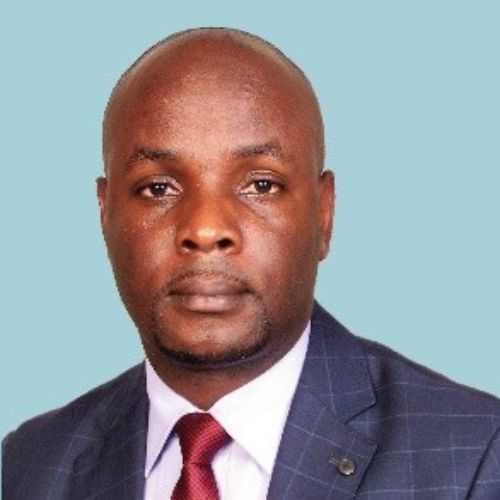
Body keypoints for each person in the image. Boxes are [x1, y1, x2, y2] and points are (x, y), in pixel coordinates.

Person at [2, 27, 500, 500]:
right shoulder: (29, 466)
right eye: (158, 188)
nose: (205, 229)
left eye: (261, 184)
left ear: (324, 214)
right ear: (104, 214)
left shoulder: (476, 456)